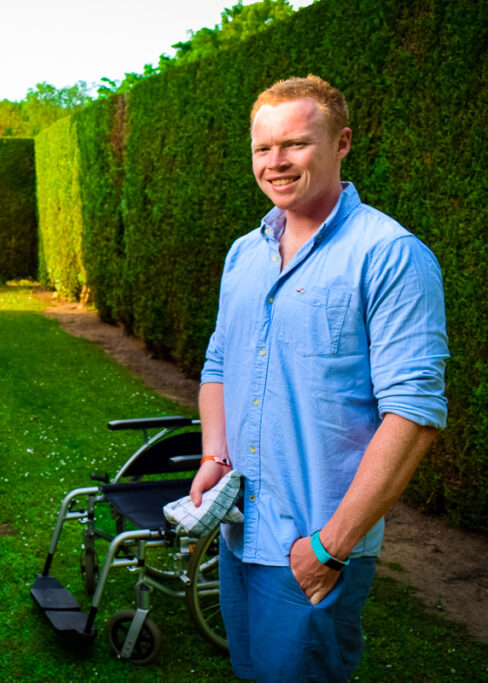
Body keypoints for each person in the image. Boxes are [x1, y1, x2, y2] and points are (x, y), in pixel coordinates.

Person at [189, 75, 448, 682]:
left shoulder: (390, 255)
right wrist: (215, 455)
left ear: (342, 143)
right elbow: (220, 367)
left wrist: (329, 548)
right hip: (237, 534)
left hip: (313, 547)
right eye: (263, 148)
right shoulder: (244, 253)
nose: (275, 163)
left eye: (296, 144)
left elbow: (413, 416)